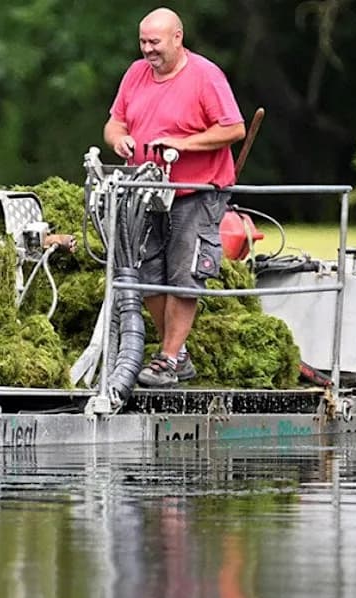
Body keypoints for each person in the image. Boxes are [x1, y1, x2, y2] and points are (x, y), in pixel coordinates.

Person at [103, 7, 245, 387]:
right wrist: (120, 140)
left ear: (177, 38)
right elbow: (114, 122)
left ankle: (168, 357)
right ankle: (177, 353)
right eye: (143, 42)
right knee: (146, 271)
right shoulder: (135, 74)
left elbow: (234, 129)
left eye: (155, 42)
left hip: (196, 192)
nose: (147, 50)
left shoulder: (205, 75)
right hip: (147, 191)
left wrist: (182, 145)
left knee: (184, 271)